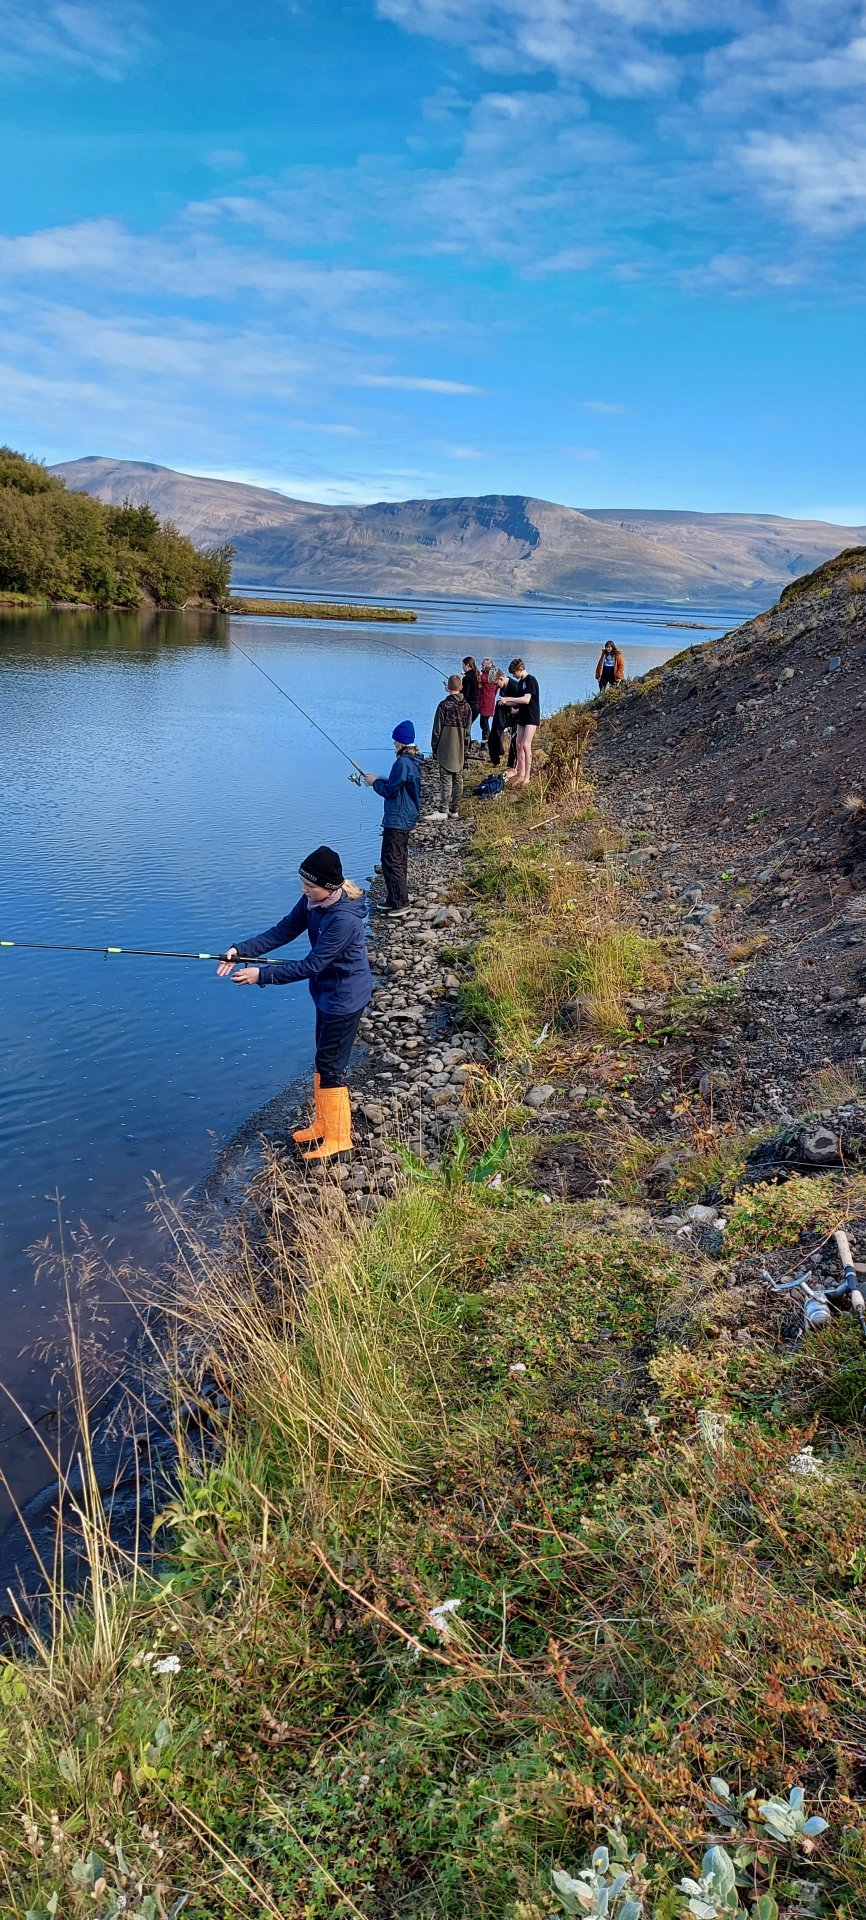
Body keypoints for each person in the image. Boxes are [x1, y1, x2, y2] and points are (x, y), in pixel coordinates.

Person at [218, 845, 371, 1163]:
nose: (303, 890)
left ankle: (340, 1138)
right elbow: (283, 930)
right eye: (302, 883)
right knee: (323, 1061)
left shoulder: (343, 920)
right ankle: (323, 1124)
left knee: (332, 1067)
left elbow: (310, 965)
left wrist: (261, 975)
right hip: (327, 995)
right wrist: (240, 950)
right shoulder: (313, 901)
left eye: (309, 885)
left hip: (345, 998)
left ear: (329, 887)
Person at [363, 720, 422, 917]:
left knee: (391, 859)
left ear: (400, 742)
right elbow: (400, 784)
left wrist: (374, 783)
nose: (394, 744)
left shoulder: (403, 762)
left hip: (398, 818)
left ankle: (401, 902)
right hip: (403, 816)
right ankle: (393, 898)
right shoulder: (412, 760)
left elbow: (390, 791)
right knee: (396, 858)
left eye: (395, 741)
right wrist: (382, 779)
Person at [430, 674, 472, 817]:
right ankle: (454, 809)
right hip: (460, 748)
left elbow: (436, 730)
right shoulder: (467, 707)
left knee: (446, 778)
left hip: (445, 747)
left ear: (448, 688)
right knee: (458, 778)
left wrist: (434, 748)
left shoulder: (443, 705)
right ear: (460, 688)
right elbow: (468, 732)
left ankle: (443, 809)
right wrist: (465, 749)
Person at [503, 657, 540, 788]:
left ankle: (527, 777)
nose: (514, 676)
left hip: (531, 716)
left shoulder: (531, 680)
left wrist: (508, 698)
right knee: (518, 744)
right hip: (522, 716)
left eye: (514, 673)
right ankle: (521, 773)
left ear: (520, 669)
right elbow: (518, 701)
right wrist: (507, 702)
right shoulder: (520, 683)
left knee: (525, 744)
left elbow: (526, 699)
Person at [487, 668, 518, 769]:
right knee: (494, 733)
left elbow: (522, 701)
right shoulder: (503, 687)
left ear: (501, 678)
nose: (496, 686)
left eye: (496, 684)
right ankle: (496, 757)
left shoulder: (514, 685)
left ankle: (512, 765)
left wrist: (507, 702)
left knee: (514, 740)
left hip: (516, 714)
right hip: (505, 712)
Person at [478, 658, 497, 743]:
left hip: (487, 699)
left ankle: (487, 739)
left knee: (484, 721)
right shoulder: (487, 673)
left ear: (489, 664)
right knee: (483, 720)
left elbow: (483, 679)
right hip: (486, 698)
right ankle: (485, 739)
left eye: (483, 665)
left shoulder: (492, 673)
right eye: (482, 665)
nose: (482, 666)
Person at [462, 656, 480, 738]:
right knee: (468, 727)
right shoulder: (477, 676)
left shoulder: (467, 678)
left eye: (463, 665)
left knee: (464, 727)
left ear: (467, 665)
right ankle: (467, 745)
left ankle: (464, 746)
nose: (462, 667)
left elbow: (465, 695)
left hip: (470, 706)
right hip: (477, 706)